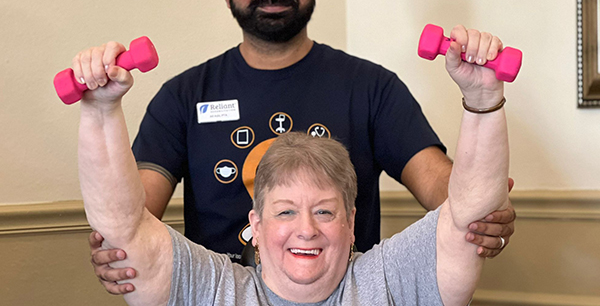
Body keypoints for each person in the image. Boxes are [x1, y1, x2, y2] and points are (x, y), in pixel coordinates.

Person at [73, 0, 516, 294]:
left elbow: (443, 188)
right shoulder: (185, 95)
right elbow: (133, 214)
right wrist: (120, 243)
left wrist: (479, 203)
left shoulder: (371, 86)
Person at [75, 24, 511, 305]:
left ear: (352, 221)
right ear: (256, 226)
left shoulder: (389, 280)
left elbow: (466, 217)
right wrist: (99, 110)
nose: (307, 228)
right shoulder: (213, 289)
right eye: (285, 211)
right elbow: (126, 228)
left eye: (324, 210)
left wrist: (483, 99)